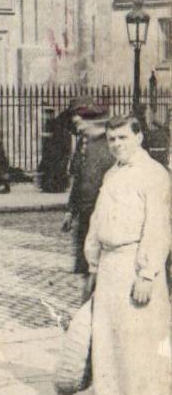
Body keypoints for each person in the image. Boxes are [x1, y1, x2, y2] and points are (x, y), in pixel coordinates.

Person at [84, 114, 172, 395]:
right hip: (109, 264)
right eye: (112, 139)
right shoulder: (112, 173)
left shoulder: (154, 174)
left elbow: (158, 227)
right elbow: (97, 220)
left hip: (135, 262)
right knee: (108, 338)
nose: (117, 144)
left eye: (123, 137)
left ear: (139, 138)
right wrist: (93, 264)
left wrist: (147, 274)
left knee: (139, 340)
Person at [63, 105, 114, 275]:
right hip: (86, 209)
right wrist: (70, 211)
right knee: (85, 260)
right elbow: (79, 180)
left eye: (80, 123)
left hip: (101, 210)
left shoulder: (109, 146)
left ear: (92, 122)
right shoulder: (85, 143)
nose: (78, 128)